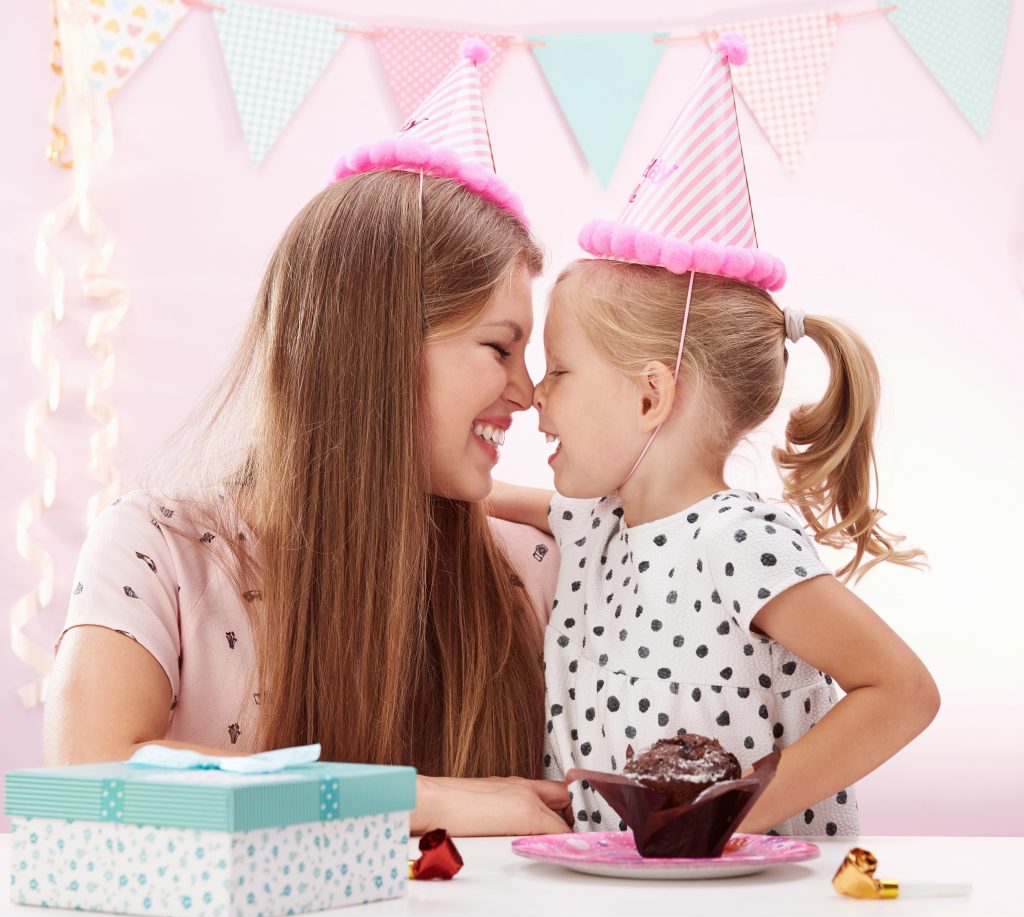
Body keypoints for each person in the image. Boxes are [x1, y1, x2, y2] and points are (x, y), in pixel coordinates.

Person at [43, 42, 572, 838]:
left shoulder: (528, 573)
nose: (528, 394)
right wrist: (416, 798)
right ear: (378, 349)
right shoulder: (161, 553)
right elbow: (91, 788)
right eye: (499, 348)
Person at [499, 34, 939, 838]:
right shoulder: (593, 524)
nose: (533, 398)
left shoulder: (742, 542)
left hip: (746, 903)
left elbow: (902, 690)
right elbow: (473, 490)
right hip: (619, 895)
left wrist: (726, 817)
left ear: (650, 396)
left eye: (558, 371)